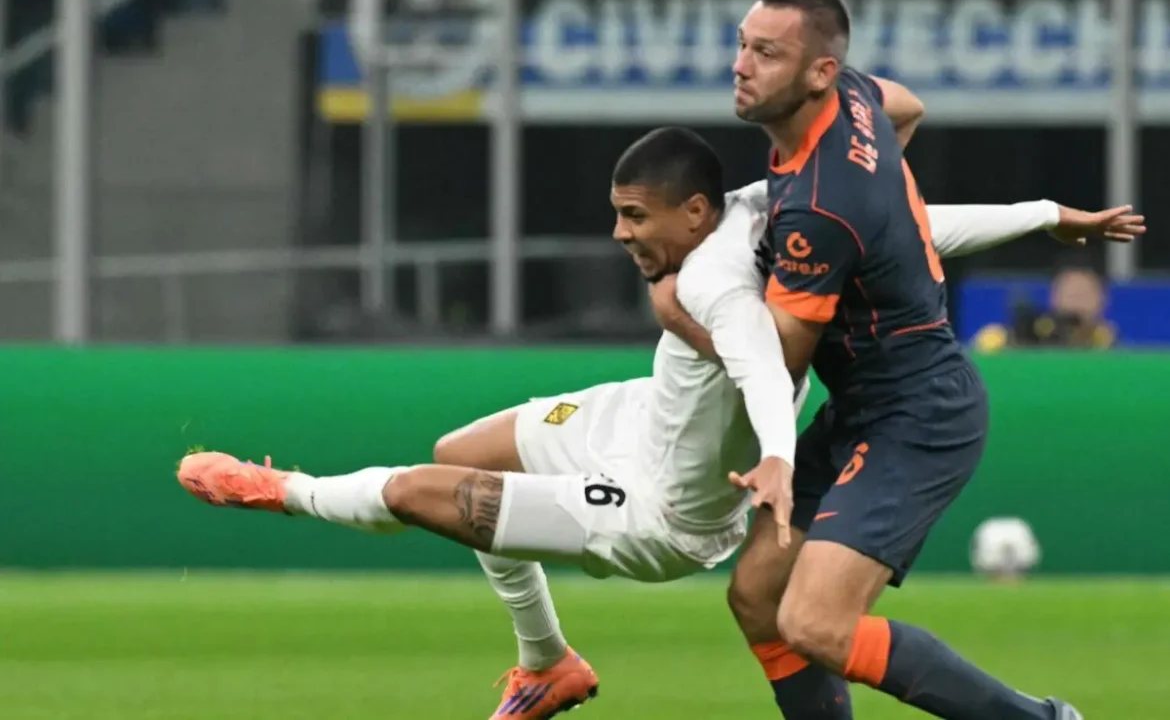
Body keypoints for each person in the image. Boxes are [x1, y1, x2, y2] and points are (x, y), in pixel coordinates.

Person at [176, 126, 1138, 720]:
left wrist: (774, 456)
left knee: (426, 494)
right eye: (618, 213)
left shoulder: (716, 285)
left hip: (657, 511)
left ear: (694, 212)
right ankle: (547, 664)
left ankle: (285, 490)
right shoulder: (765, 212)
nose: (621, 234)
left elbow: (762, 366)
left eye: (636, 216)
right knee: (457, 452)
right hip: (635, 417)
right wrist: (1047, 212)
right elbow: (920, 225)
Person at [672, 0, 1129, 720]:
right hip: (866, 406)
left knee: (815, 623)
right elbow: (907, 107)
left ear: (818, 72)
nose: (741, 65)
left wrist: (685, 302)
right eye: (742, 44)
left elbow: (781, 359)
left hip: (918, 413)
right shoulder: (853, 98)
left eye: (766, 53)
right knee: (757, 595)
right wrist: (886, 205)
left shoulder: (822, 210)